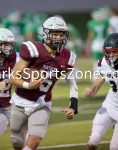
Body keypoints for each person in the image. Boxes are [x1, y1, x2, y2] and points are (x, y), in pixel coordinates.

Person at [9, 16, 78, 150]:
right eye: (55, 34)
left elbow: (73, 85)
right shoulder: (33, 49)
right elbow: (13, 77)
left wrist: (73, 107)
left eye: (61, 34)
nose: (58, 38)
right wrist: (28, 85)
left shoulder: (68, 57)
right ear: (46, 33)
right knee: (16, 143)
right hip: (21, 100)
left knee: (34, 140)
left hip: (42, 102)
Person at [84, 33, 118, 150]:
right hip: (110, 106)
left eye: (115, 52)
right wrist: (92, 89)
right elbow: (101, 77)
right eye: (108, 53)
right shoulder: (104, 63)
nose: (111, 56)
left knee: (115, 148)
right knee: (93, 139)